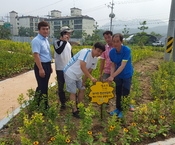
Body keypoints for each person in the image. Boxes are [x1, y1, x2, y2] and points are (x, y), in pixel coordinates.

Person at [63, 42, 105, 118]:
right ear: (93, 48)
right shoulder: (85, 52)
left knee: (82, 89)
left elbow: (89, 70)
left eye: (101, 52)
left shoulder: (95, 59)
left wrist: (84, 81)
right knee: (73, 92)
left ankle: (80, 106)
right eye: (98, 50)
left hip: (78, 75)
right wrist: (91, 78)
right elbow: (83, 66)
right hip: (70, 72)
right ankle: (74, 110)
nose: (99, 53)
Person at [106, 33, 134, 118]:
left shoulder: (126, 50)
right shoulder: (112, 52)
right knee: (118, 92)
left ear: (121, 42)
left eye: (117, 41)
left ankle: (123, 110)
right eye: (114, 41)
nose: (115, 43)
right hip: (117, 75)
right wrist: (111, 76)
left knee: (125, 92)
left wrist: (112, 76)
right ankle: (117, 108)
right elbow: (113, 65)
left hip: (126, 74)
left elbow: (122, 65)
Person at [31, 21, 53, 109]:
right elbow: (36, 55)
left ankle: (36, 103)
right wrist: (40, 69)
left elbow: (47, 54)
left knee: (43, 86)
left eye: (47, 29)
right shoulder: (36, 40)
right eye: (43, 29)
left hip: (47, 65)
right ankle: (44, 107)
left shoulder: (45, 40)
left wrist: (50, 66)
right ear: (39, 30)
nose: (45, 31)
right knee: (43, 87)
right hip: (41, 66)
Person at [54, 26, 74, 110]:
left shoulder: (68, 43)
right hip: (60, 69)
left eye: (69, 34)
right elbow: (59, 51)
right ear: (63, 34)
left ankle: (72, 102)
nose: (69, 35)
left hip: (68, 68)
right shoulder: (56, 42)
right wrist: (65, 41)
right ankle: (63, 104)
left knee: (71, 85)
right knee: (61, 87)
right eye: (67, 33)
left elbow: (71, 54)